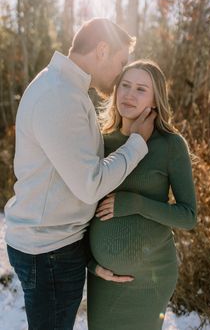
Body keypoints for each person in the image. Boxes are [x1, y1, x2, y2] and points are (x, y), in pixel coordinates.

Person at [4, 19, 157, 330]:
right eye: (121, 63)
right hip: (48, 254)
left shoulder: (64, 87)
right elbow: (90, 185)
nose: (120, 76)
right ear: (102, 50)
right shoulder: (58, 95)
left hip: (55, 247)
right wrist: (138, 142)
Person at [87, 59, 197, 330]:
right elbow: (78, 212)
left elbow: (188, 216)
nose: (128, 94)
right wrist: (91, 264)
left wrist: (134, 203)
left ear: (155, 99)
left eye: (140, 89)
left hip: (151, 278)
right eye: (124, 85)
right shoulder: (98, 141)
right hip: (103, 278)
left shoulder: (170, 145)